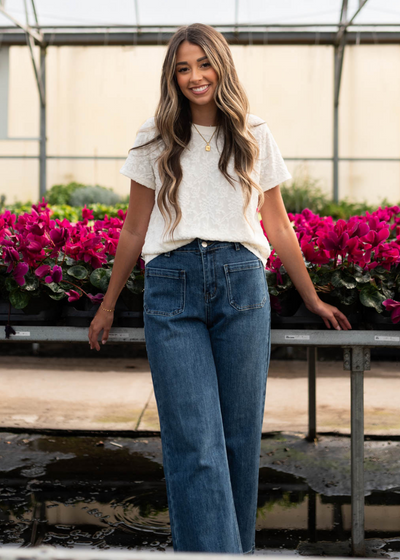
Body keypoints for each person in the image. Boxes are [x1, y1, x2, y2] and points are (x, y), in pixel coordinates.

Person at [88, 23, 351, 554]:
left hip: (242, 286)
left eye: (202, 64)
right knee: (195, 444)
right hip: (171, 285)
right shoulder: (153, 136)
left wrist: (310, 296)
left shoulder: (254, 132)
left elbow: (277, 225)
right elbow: (136, 229)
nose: (194, 77)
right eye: (182, 68)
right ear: (173, 76)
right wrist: (109, 303)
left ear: (221, 66)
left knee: (236, 443)